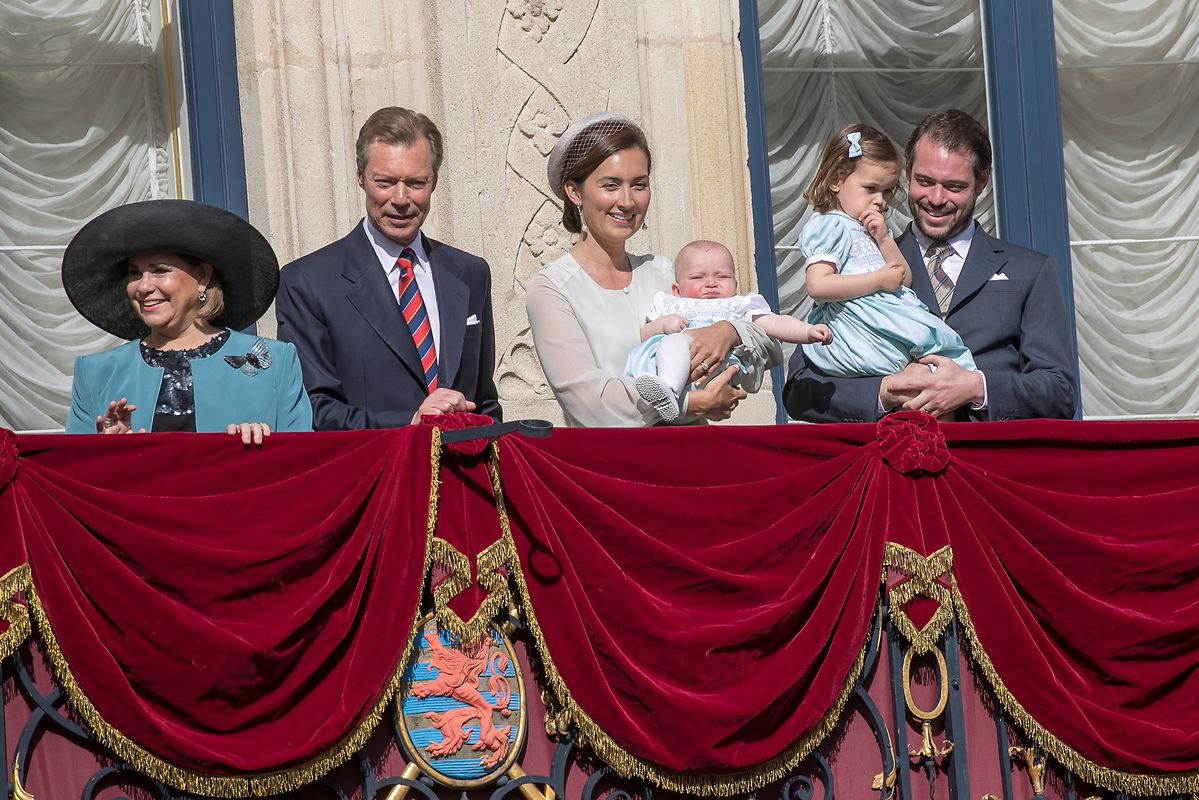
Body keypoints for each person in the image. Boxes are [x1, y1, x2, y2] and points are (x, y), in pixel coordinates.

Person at [784, 109, 1077, 423]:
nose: (936, 199)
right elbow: (800, 390)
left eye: (953, 187)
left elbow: (1059, 392)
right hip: (886, 464)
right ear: (907, 173)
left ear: (981, 182)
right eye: (924, 181)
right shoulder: (859, 261)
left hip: (986, 464)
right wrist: (883, 393)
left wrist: (977, 388)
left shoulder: (1030, 270)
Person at [525, 112, 781, 427]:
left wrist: (727, 331)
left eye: (639, 184)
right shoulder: (553, 288)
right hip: (611, 468)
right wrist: (690, 403)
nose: (627, 201)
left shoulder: (664, 272)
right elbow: (588, 403)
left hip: (694, 460)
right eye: (610, 185)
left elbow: (765, 336)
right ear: (574, 192)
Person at [275, 106, 500, 430]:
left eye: (416, 183)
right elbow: (314, 411)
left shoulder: (469, 272)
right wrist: (410, 423)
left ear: (434, 181)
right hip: (375, 474)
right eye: (385, 182)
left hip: (462, 475)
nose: (400, 198)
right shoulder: (308, 283)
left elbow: (485, 401)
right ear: (360, 177)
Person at [62, 200, 312, 443]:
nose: (144, 286)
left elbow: (304, 464)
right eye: (134, 273)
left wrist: (262, 451)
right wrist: (106, 454)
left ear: (202, 277)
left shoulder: (277, 362)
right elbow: (71, 476)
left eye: (160, 270)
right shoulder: (96, 373)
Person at [626, 240, 831, 422]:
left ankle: (669, 393)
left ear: (735, 283)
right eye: (698, 277)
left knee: (678, 341)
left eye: (722, 276)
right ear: (677, 289)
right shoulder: (671, 305)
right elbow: (643, 335)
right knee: (675, 342)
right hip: (674, 369)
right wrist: (662, 325)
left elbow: (775, 323)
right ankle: (668, 390)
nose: (711, 283)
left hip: (717, 374)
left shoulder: (739, 305)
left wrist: (807, 331)